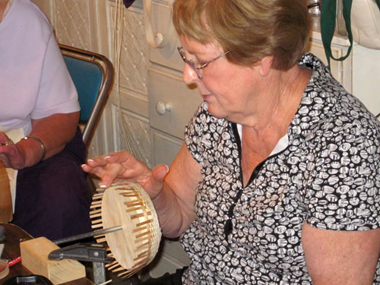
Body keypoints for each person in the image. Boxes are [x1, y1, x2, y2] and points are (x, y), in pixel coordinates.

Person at [82, 0, 380, 283]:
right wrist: (155, 193)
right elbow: (181, 215)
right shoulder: (221, 113)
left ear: (261, 58)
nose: (188, 75)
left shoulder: (343, 147)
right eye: (188, 58)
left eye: (201, 62)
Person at [0, 0, 92, 240]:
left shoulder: (27, 21)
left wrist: (27, 151)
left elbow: (60, 114)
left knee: (59, 196)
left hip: (23, 142)